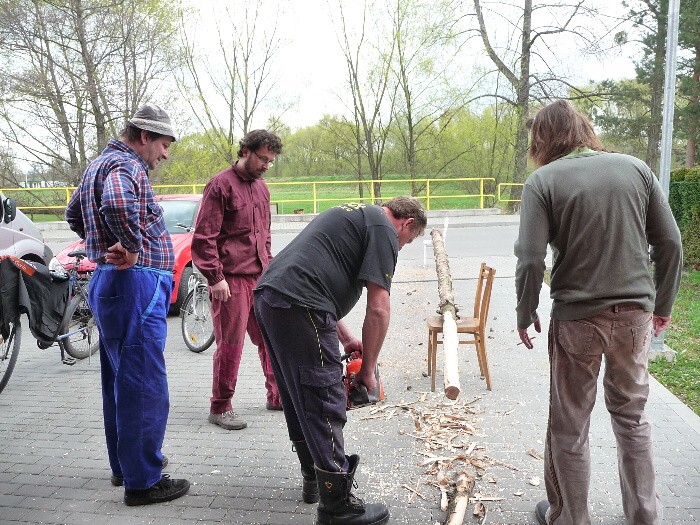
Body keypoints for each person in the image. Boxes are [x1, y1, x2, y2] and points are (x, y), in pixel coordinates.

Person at [514, 100, 683, 525]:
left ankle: (572, 518)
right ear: (584, 129)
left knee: (570, 426)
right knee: (632, 418)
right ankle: (645, 516)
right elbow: (671, 244)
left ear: (542, 139)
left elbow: (531, 258)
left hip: (577, 319)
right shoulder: (635, 169)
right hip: (635, 318)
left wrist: (525, 309)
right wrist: (661, 305)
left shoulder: (543, 181)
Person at [253, 197, 427, 525]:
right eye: (410, 239)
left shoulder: (357, 214)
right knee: (323, 397)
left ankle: (312, 478)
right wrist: (369, 372)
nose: (403, 246)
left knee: (295, 394)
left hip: (272, 297)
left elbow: (319, 278)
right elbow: (379, 307)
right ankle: (338, 505)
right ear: (406, 224)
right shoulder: (385, 230)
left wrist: (347, 338)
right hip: (301, 303)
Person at [65, 103, 190, 506]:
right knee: (143, 385)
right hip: (135, 283)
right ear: (144, 136)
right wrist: (132, 247)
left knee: (120, 379)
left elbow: (73, 214)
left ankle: (128, 465)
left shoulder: (96, 166)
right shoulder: (128, 166)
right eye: (164, 144)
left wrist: (102, 244)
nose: (165, 154)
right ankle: (144, 481)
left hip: (109, 282)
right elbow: (118, 204)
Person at [191, 129, 283, 431]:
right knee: (231, 345)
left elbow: (264, 236)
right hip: (229, 281)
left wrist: (268, 270)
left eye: (270, 161)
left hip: (260, 278)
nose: (266, 166)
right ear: (245, 151)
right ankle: (220, 406)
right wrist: (215, 278)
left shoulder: (262, 188)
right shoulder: (220, 186)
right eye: (262, 159)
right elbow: (205, 237)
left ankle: (277, 395)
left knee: (270, 341)